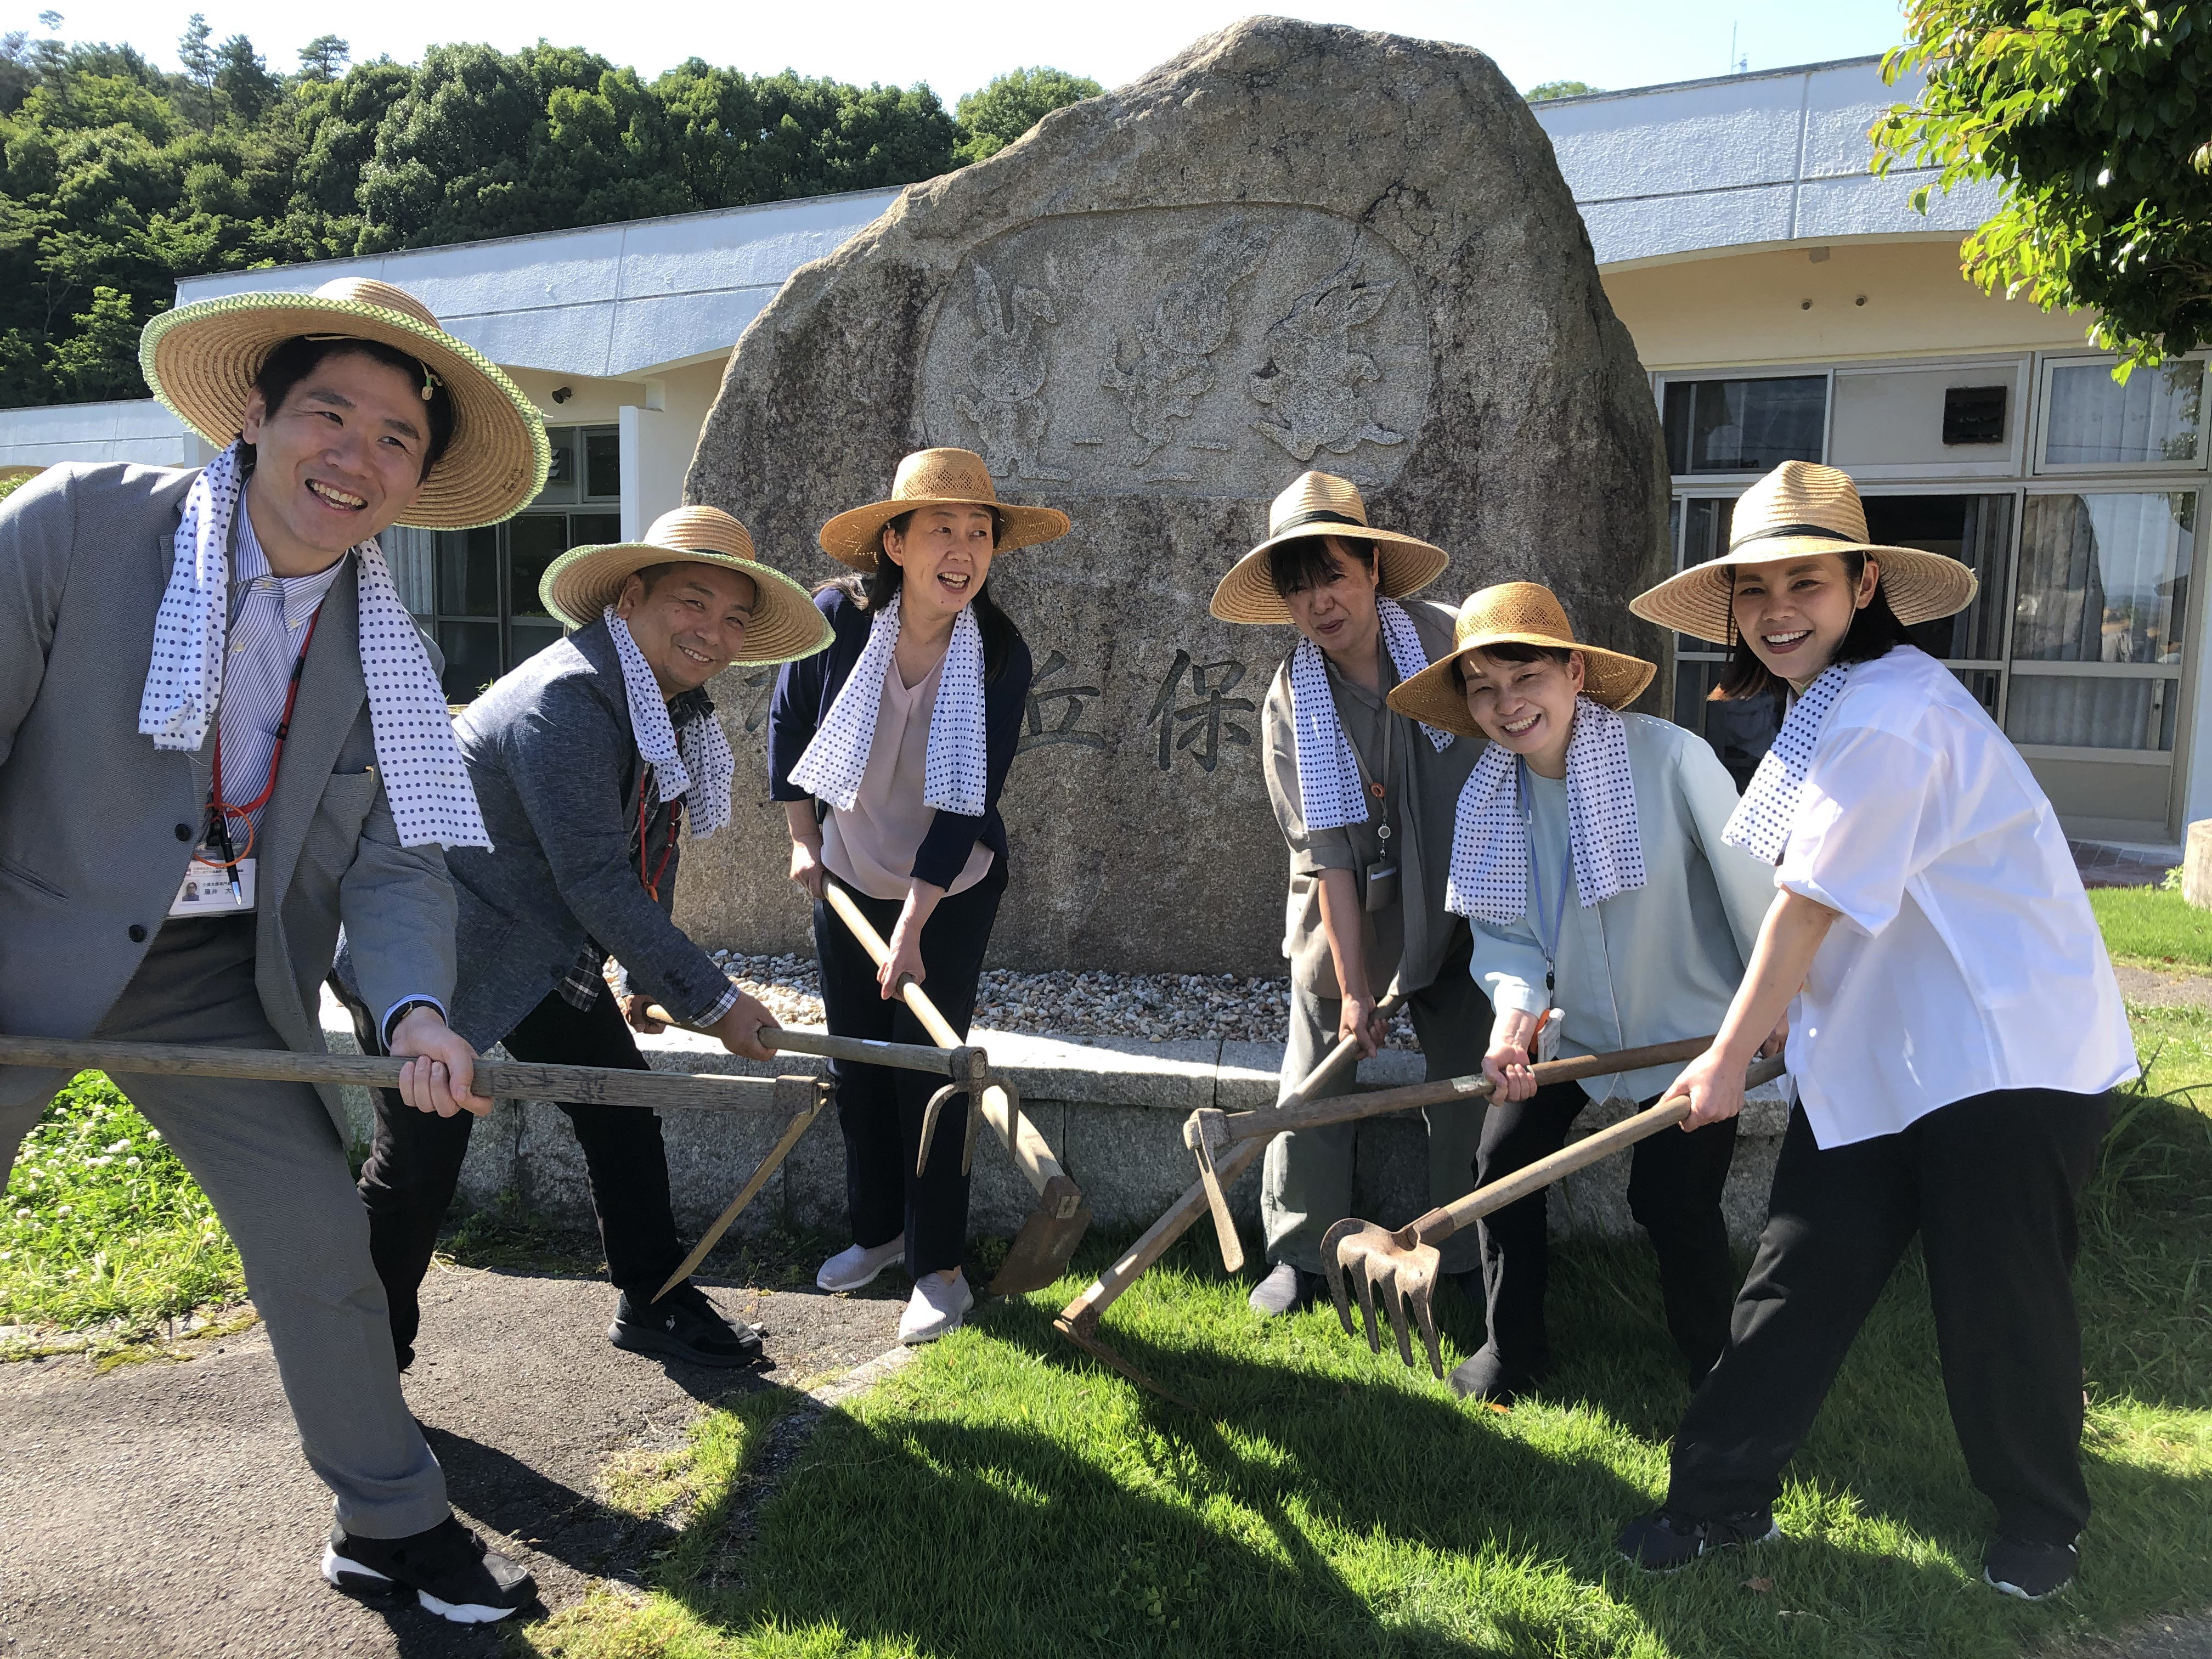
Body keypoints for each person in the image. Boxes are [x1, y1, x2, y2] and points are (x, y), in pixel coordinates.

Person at [0, 277, 546, 1623]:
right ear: (255, 413)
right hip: (22, 942)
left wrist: (415, 1011)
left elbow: (398, 863)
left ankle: (390, 1530)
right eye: (329, 413)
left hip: (218, 980)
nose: (355, 457)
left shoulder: (388, 649)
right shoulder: (77, 527)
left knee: (321, 1242)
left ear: (417, 477)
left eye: (396, 437)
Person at [1613, 460, 2136, 1602]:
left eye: (1805, 582)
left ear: (1863, 586)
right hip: (1888, 1047)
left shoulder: (1893, 715)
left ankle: (2041, 1521)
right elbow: (1832, 899)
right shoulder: (1830, 705)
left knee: (1999, 1297)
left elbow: (1808, 905)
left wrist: (1726, 1054)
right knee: (1799, 1272)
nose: (1777, 612)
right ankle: (1716, 1501)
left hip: (2008, 1056)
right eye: (1755, 590)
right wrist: (1767, 1022)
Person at [341, 506, 825, 1372]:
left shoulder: (666, 706)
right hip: (432, 947)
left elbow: (649, 847)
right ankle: (361, 1364)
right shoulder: (568, 699)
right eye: (692, 602)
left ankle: (655, 1302)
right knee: (419, 1158)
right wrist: (714, 1003)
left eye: (733, 619)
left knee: (621, 1107)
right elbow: (597, 879)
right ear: (630, 596)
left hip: (537, 948)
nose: (712, 633)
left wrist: (648, 977)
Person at [1386, 582, 1777, 1403]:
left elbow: (1755, 897)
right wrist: (1512, 1027)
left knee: (1671, 1198)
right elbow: (1509, 941)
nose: (1508, 705)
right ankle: (1512, 1350)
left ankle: (1720, 1370)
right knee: (1501, 1163)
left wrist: (1767, 1015)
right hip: (1581, 1032)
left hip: (1695, 1033)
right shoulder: (1491, 796)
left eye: (1526, 676)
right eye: (1483, 689)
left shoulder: (1670, 759)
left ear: (1574, 673)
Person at [770, 448, 1065, 1344]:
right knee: (858, 1064)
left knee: (931, 1075)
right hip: (847, 872)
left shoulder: (998, 653)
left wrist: (914, 926)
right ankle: (879, 1233)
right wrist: (803, 841)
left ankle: (940, 1269)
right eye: (942, 529)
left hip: (950, 887)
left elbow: (969, 803)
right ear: (895, 543)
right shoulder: (837, 619)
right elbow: (788, 721)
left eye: (980, 533)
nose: (963, 551)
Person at [1211, 471, 1489, 1317]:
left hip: (1467, 896)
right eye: (1299, 589)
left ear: (1372, 568)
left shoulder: (1454, 643)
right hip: (1349, 904)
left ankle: (1465, 1249)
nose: (1320, 603)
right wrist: (1357, 989)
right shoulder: (1293, 699)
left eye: (1333, 575)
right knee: (1314, 1079)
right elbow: (1326, 853)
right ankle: (1302, 1250)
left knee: (1470, 1074)